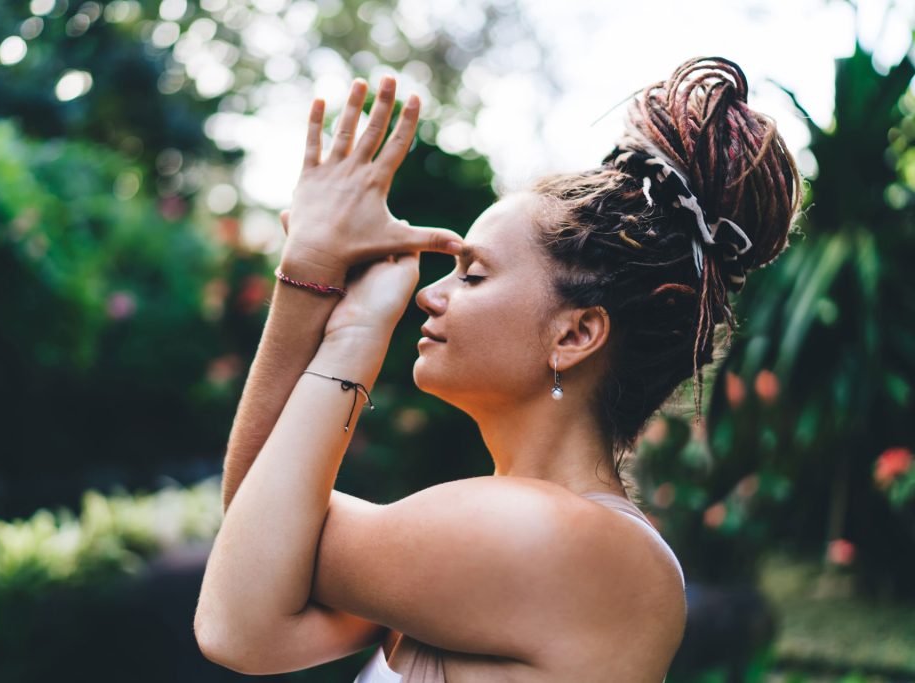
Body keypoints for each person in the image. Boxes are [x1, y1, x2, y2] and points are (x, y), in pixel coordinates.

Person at [194, 55, 803, 682]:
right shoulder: (507, 541)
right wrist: (315, 282)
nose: (429, 295)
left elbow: (237, 613)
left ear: (575, 333)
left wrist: (340, 313)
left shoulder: (551, 537)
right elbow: (261, 543)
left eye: (473, 274)